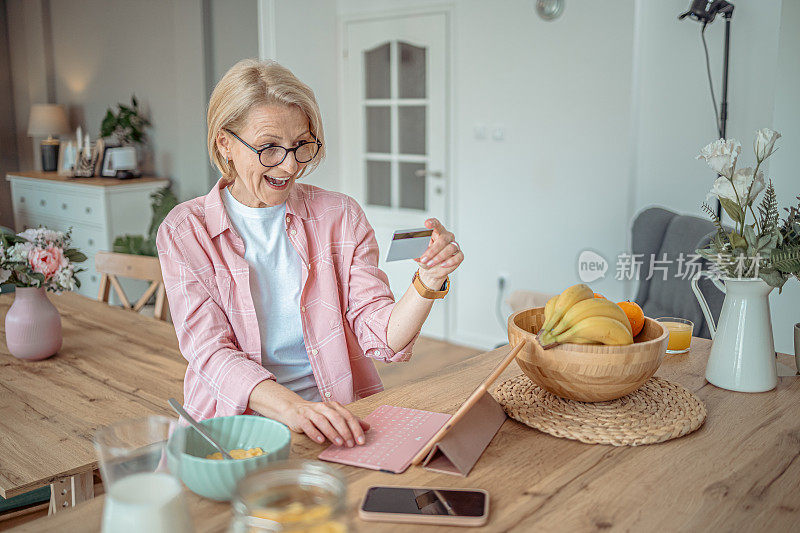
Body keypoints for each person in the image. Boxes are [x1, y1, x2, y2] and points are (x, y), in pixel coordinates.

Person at [156, 59, 464, 449]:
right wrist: (296, 409)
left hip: (335, 421)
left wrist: (428, 282)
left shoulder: (340, 216)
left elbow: (380, 336)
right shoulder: (186, 231)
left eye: (301, 145)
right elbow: (211, 353)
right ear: (225, 143)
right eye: (269, 147)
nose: (289, 165)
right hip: (230, 429)